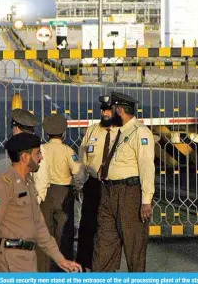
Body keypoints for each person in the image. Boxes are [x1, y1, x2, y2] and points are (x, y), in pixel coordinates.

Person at [0, 132, 83, 273]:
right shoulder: (2, 184)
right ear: (25, 157)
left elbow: (40, 228)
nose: (41, 157)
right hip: (9, 261)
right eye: (38, 153)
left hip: (28, 259)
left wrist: (61, 260)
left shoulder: (28, 183)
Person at [92, 92, 155, 272]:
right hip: (109, 193)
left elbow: (146, 167)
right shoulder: (118, 132)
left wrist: (146, 201)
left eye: (112, 109)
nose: (109, 113)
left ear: (119, 110)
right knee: (103, 247)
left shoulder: (140, 132)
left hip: (129, 195)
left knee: (134, 248)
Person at [34, 114, 85, 272]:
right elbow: (79, 172)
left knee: (44, 234)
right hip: (63, 193)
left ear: (46, 132)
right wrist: (77, 188)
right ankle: (64, 269)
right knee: (64, 234)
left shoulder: (42, 149)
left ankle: (43, 270)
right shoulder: (68, 150)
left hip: (45, 193)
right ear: (63, 133)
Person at [75, 95, 119, 271]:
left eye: (109, 110)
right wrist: (79, 183)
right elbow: (82, 160)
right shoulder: (92, 130)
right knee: (87, 227)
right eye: (104, 110)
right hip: (93, 184)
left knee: (109, 230)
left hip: (113, 186)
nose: (106, 113)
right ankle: (84, 265)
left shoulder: (121, 132)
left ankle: (107, 267)